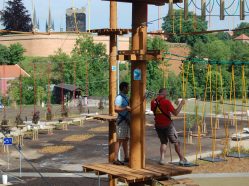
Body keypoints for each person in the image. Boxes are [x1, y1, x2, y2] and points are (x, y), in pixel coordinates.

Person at [151, 88, 188, 165]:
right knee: (176, 142)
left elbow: (156, 111)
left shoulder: (153, 102)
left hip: (158, 125)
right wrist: (181, 104)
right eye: (166, 93)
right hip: (167, 125)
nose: (167, 95)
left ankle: (162, 159)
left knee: (163, 142)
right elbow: (175, 113)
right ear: (163, 93)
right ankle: (181, 159)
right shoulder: (166, 102)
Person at [113, 82, 131, 165]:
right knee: (119, 140)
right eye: (128, 87)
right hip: (122, 121)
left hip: (126, 121)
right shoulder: (119, 97)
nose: (129, 89)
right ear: (124, 88)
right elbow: (116, 109)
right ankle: (115, 159)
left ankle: (126, 157)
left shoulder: (125, 97)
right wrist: (125, 108)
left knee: (125, 139)